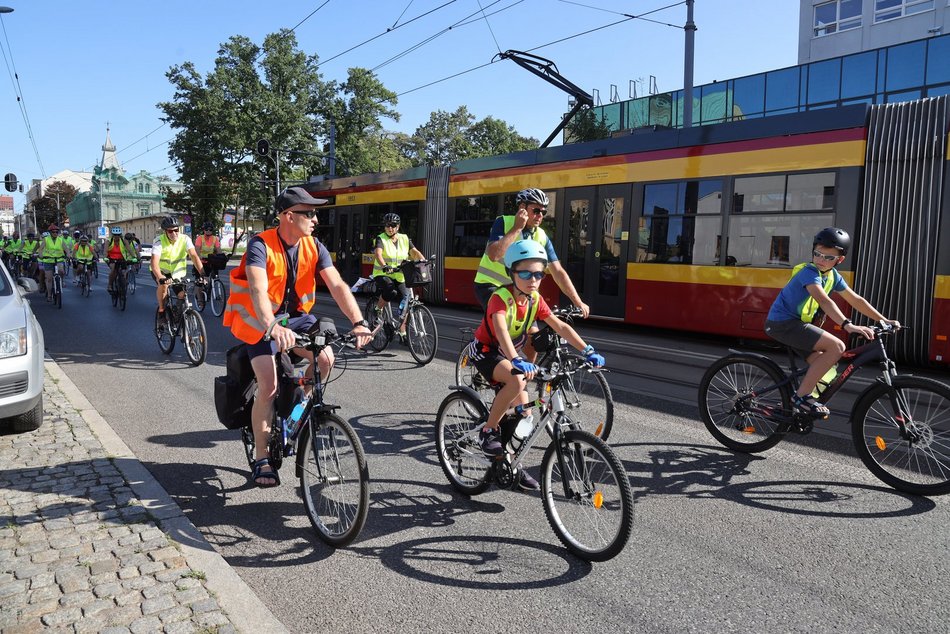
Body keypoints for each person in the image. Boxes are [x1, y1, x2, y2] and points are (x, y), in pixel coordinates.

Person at [223, 186, 373, 487]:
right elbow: (257, 290)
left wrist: (358, 322)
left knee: (326, 358)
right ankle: (263, 457)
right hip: (259, 321)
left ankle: (297, 408)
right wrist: (272, 326)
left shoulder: (314, 246)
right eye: (310, 213)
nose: (316, 219)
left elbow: (338, 286)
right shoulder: (259, 245)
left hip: (298, 319)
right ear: (289, 216)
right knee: (268, 384)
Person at [464, 239, 605, 491]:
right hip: (486, 351)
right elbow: (500, 329)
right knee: (517, 379)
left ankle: (511, 466)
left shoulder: (534, 299)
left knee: (526, 417)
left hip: (508, 354)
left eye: (539, 273)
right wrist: (516, 359)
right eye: (526, 273)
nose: (533, 279)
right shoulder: (500, 297)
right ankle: (488, 430)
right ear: (512, 272)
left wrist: (587, 349)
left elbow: (560, 326)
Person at [764, 227, 900, 418]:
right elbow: (824, 300)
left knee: (826, 370)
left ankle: (789, 407)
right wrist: (848, 325)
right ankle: (801, 398)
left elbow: (856, 300)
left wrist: (884, 320)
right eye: (817, 254)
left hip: (796, 325)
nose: (821, 260)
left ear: (839, 260)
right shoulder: (809, 272)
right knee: (837, 346)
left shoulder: (833, 276)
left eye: (828, 257)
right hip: (783, 324)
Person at [473, 187, 589, 360]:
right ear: (522, 208)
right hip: (491, 286)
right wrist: (516, 229)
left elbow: (558, 271)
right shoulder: (504, 222)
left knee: (534, 338)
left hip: (521, 291)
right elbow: (494, 255)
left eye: (543, 211)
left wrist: (577, 301)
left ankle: (524, 378)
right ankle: (491, 364)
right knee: (508, 328)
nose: (540, 215)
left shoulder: (541, 236)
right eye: (535, 210)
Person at [370, 212, 425, 341]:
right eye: (388, 225)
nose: (390, 228)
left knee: (406, 301)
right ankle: (378, 308)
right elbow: (378, 254)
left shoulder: (404, 238)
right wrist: (384, 265)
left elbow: (414, 252)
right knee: (391, 290)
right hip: (383, 274)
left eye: (393, 225)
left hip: (400, 275)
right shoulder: (381, 238)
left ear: (398, 227)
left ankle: (402, 332)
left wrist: (423, 261)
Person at [149, 216, 205, 316]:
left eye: (176, 230)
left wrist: (202, 274)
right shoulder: (159, 241)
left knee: (182, 294)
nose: (174, 233)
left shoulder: (185, 239)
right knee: (164, 286)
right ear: (165, 232)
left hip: (176, 273)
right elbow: (154, 263)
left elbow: (194, 256)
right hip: (161, 271)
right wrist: (161, 277)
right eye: (170, 231)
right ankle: (161, 311)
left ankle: (178, 316)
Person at [36, 224, 68, 301]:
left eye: (56, 232)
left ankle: (62, 281)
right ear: (50, 233)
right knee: (49, 278)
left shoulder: (60, 239)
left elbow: (66, 249)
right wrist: (40, 255)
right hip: (48, 260)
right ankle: (49, 295)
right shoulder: (46, 239)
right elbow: (40, 249)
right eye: (53, 232)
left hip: (59, 259)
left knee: (61, 271)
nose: (55, 233)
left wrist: (69, 255)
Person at [105, 227, 137, 294]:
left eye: (118, 235)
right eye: (115, 235)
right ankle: (110, 285)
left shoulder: (124, 240)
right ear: (112, 235)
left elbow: (129, 249)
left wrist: (134, 257)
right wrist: (105, 257)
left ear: (120, 235)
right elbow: (105, 251)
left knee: (124, 272)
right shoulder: (109, 241)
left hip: (121, 258)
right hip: (111, 258)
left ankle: (123, 283)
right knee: (113, 269)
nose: (116, 236)